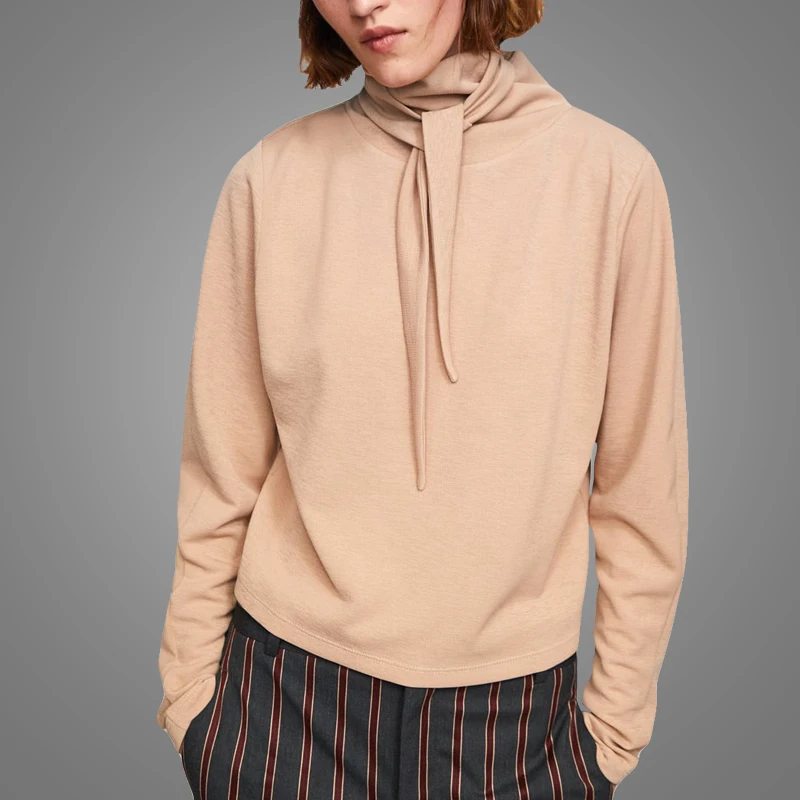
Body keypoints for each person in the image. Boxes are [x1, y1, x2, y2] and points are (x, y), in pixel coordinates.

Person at [156, 0, 689, 797]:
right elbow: (219, 473)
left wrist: (612, 733)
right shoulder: (270, 179)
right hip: (282, 707)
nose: (363, 4)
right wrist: (193, 702)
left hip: (516, 727)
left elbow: (642, 488)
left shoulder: (612, 180)